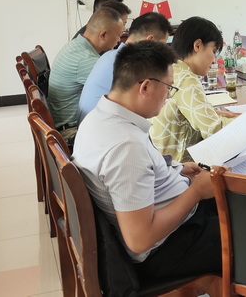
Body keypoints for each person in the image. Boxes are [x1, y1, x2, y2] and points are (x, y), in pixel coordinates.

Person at [72, 41, 221, 280]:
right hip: (167, 247)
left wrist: (178, 170)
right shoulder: (126, 147)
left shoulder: (98, 118)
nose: (169, 95)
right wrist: (196, 193)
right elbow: (140, 240)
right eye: (169, 87)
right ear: (145, 87)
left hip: (170, 220)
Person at [149, 17, 246, 162]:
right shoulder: (186, 79)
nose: (214, 60)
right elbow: (213, 131)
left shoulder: (171, 69)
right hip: (178, 167)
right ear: (197, 45)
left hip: (160, 159)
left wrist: (216, 114)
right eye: (213, 51)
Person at [78, 12, 173, 123]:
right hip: (104, 125)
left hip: (90, 123)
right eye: (161, 45)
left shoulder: (110, 55)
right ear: (149, 40)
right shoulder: (130, 64)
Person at [48, 6, 125, 134]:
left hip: (66, 123)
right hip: (71, 131)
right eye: (118, 35)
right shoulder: (85, 59)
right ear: (103, 35)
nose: (119, 41)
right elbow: (121, 92)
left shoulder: (76, 46)